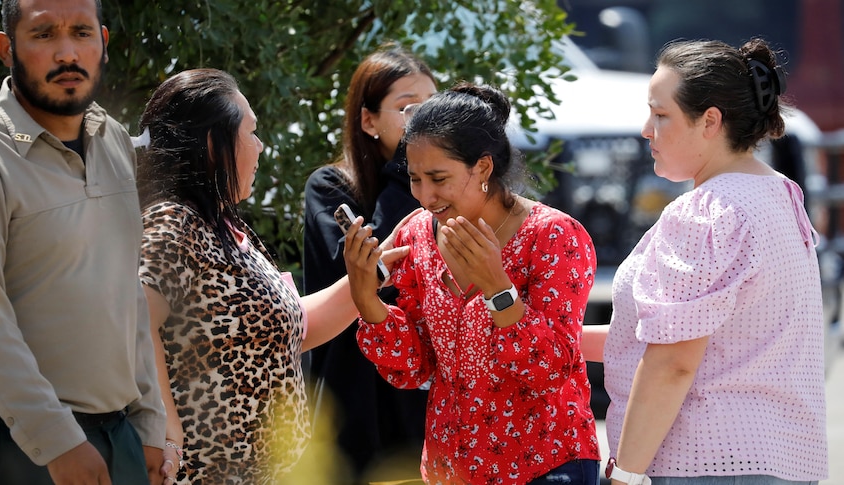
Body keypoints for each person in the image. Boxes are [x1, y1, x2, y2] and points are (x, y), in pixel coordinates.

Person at [135, 68, 411, 485]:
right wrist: (166, 431)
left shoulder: (224, 225)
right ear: (214, 143)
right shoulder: (174, 221)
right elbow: (135, 321)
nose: (261, 147)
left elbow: (292, 328)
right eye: (252, 132)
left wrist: (373, 272)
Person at [342, 82, 601, 485]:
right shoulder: (416, 234)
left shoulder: (554, 237)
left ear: (482, 167)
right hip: (451, 470)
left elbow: (551, 371)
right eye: (414, 179)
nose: (425, 195)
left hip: (545, 465)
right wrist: (366, 298)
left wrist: (499, 290)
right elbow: (415, 369)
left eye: (438, 178)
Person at [602, 39, 828, 485]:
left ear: (710, 120)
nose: (647, 129)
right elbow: (715, 336)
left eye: (661, 114)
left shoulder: (705, 211)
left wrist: (625, 475)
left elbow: (673, 362)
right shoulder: (781, 194)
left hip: (706, 460)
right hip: (784, 459)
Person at [0, 0, 168, 484]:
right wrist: (57, 440)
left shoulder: (114, 141)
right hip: (18, 447)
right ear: (7, 48)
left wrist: (149, 420)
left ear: (103, 42)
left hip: (120, 436)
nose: (68, 53)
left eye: (82, 33)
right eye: (43, 35)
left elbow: (126, 289)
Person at [302, 44, 437, 483]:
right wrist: (409, 166)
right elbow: (374, 273)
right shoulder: (329, 188)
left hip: (422, 397)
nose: (422, 119)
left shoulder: (443, 193)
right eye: (408, 108)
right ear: (368, 120)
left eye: (431, 107)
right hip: (355, 400)